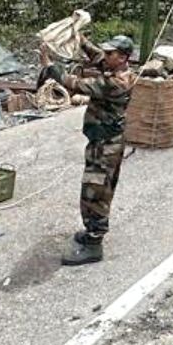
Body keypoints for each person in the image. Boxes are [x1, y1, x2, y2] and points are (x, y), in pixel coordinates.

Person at [60, 36, 139, 266]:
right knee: (96, 189)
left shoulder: (117, 83)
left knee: (95, 192)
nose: (105, 56)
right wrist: (81, 39)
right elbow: (96, 56)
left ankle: (94, 244)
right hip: (102, 142)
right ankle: (91, 233)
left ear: (122, 58)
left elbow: (75, 84)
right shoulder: (118, 68)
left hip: (106, 147)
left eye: (111, 53)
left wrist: (51, 69)